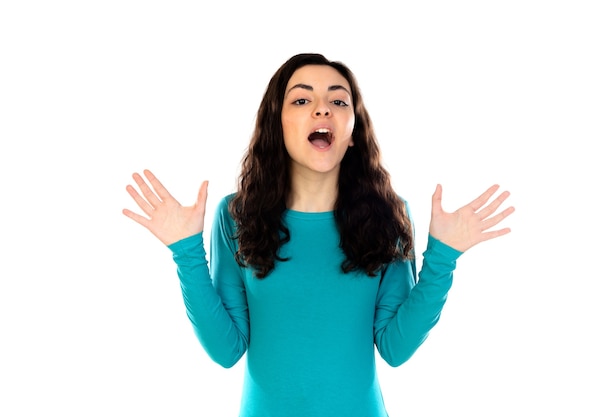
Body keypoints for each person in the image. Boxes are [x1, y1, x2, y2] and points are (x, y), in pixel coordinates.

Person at [122, 52, 514, 416]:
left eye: (339, 101)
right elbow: (226, 350)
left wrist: (443, 257)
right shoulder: (236, 215)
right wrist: (186, 252)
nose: (322, 108)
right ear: (277, 124)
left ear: (353, 131)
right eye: (301, 100)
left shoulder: (388, 216)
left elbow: (395, 348)